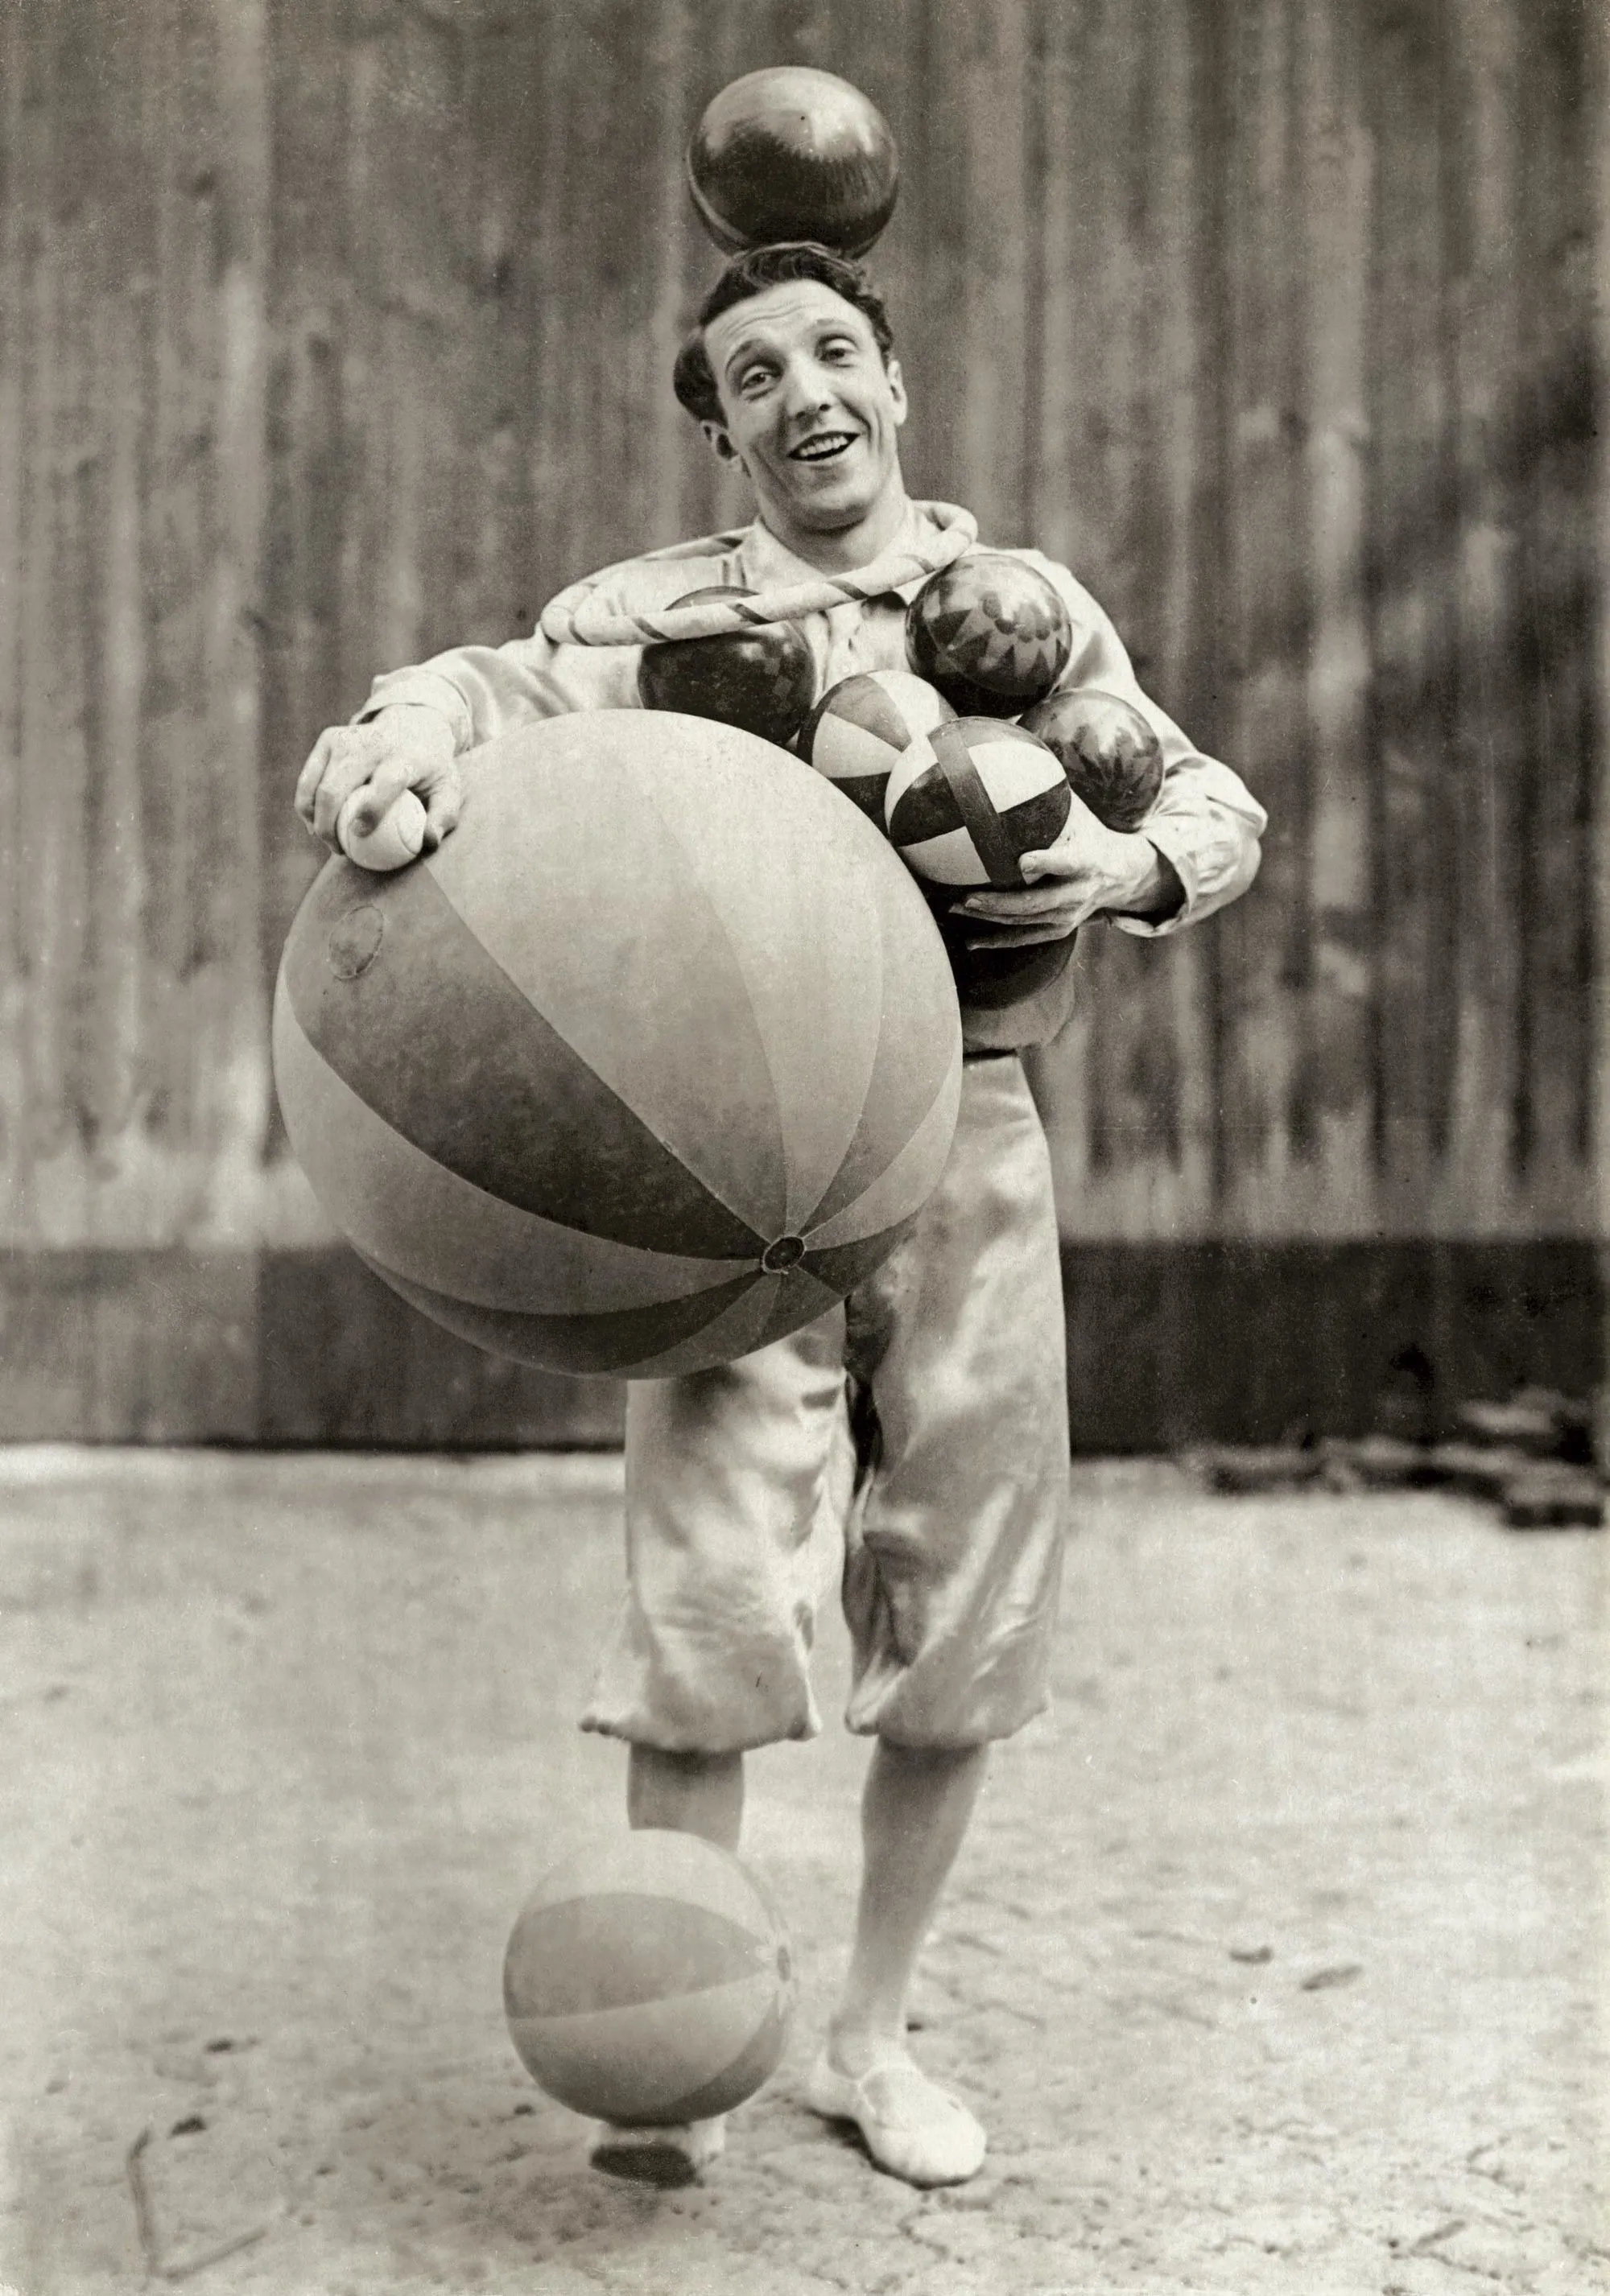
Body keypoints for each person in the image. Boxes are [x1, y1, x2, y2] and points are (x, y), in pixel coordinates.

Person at [295, 241, 1265, 2191]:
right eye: (754, 372)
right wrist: (383, 756)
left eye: (835, 352)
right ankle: (683, 2026)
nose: (803, 392)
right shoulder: (657, 624)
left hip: (967, 1136)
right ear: (717, 421)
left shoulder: (1011, 611)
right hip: (722, 1168)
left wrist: (1116, 874)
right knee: (713, 1597)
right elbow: (464, 697)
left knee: (966, 1590)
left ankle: (868, 2038)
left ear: (896, 383)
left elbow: (1202, 798)